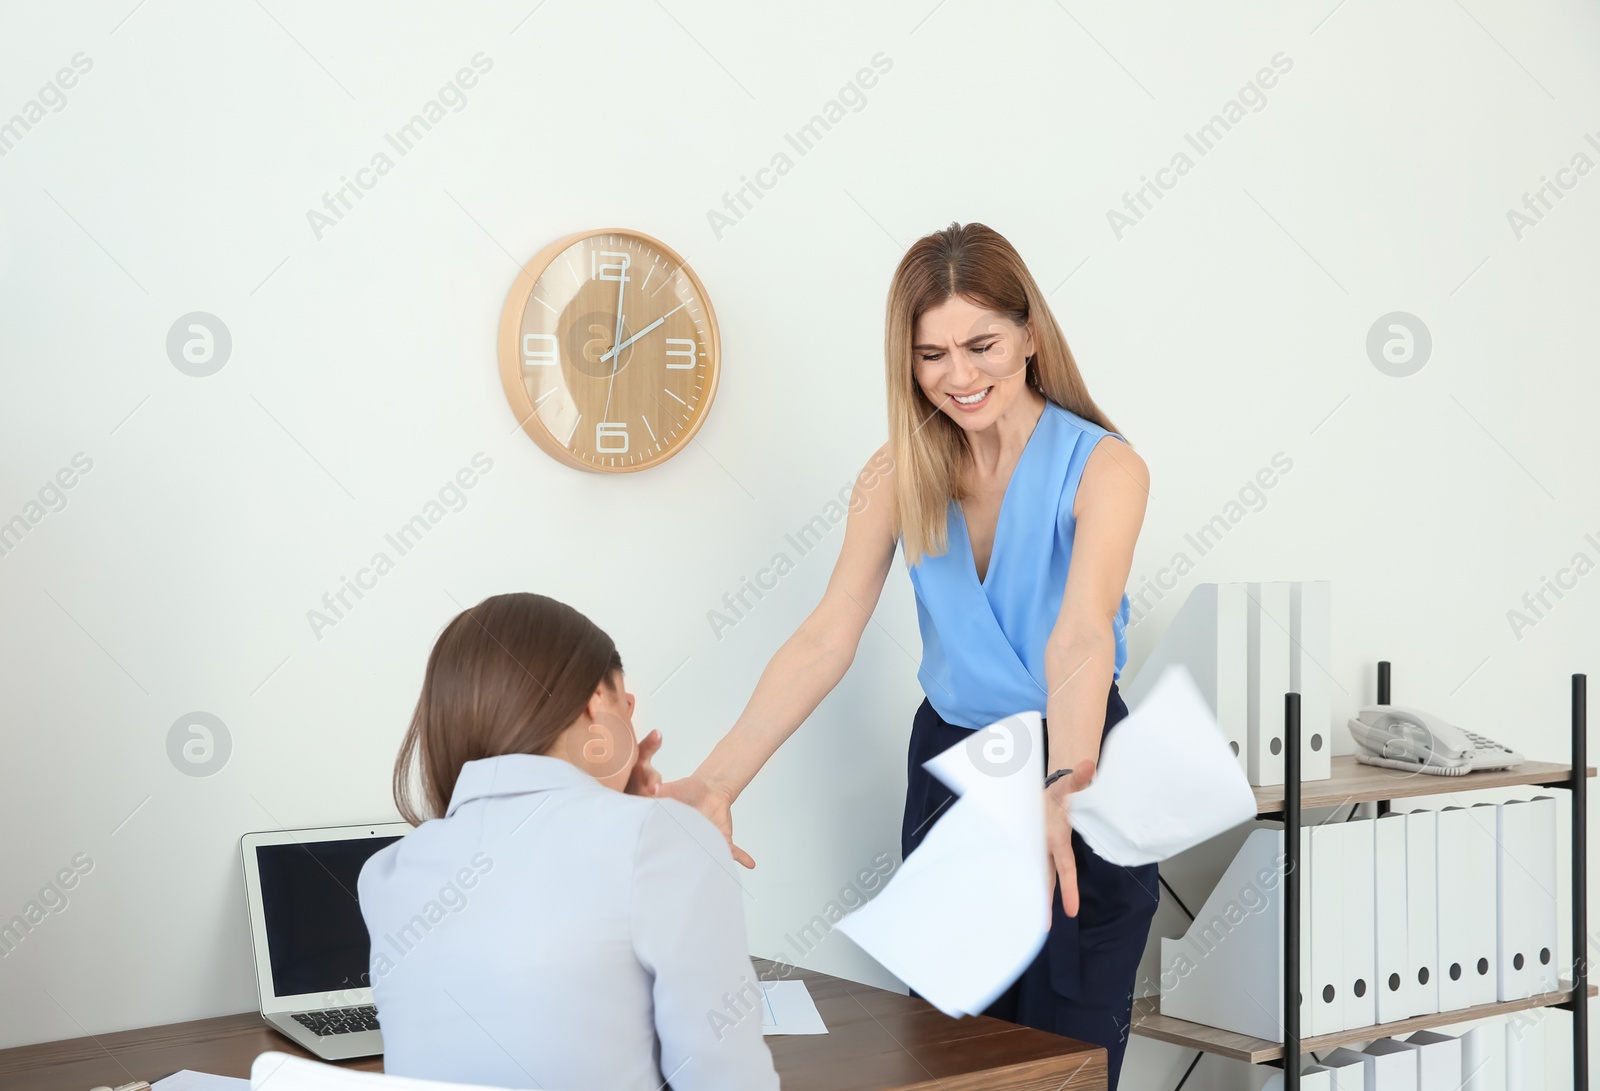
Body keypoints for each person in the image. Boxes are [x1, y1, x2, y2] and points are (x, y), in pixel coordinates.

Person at [660, 222, 1159, 1088]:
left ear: (1030, 336)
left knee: (1066, 1063)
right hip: (954, 772)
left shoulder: (1106, 467)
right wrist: (715, 782)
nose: (959, 376)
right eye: (931, 354)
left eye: (981, 344)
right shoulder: (897, 472)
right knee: (956, 1060)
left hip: (1079, 765)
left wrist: (1061, 782)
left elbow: (1080, 634)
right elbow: (827, 635)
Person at [358, 592, 779, 1091]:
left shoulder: (388, 873)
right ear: (594, 703)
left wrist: (635, 813)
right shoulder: (661, 839)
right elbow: (726, 1081)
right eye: (626, 702)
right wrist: (669, 832)